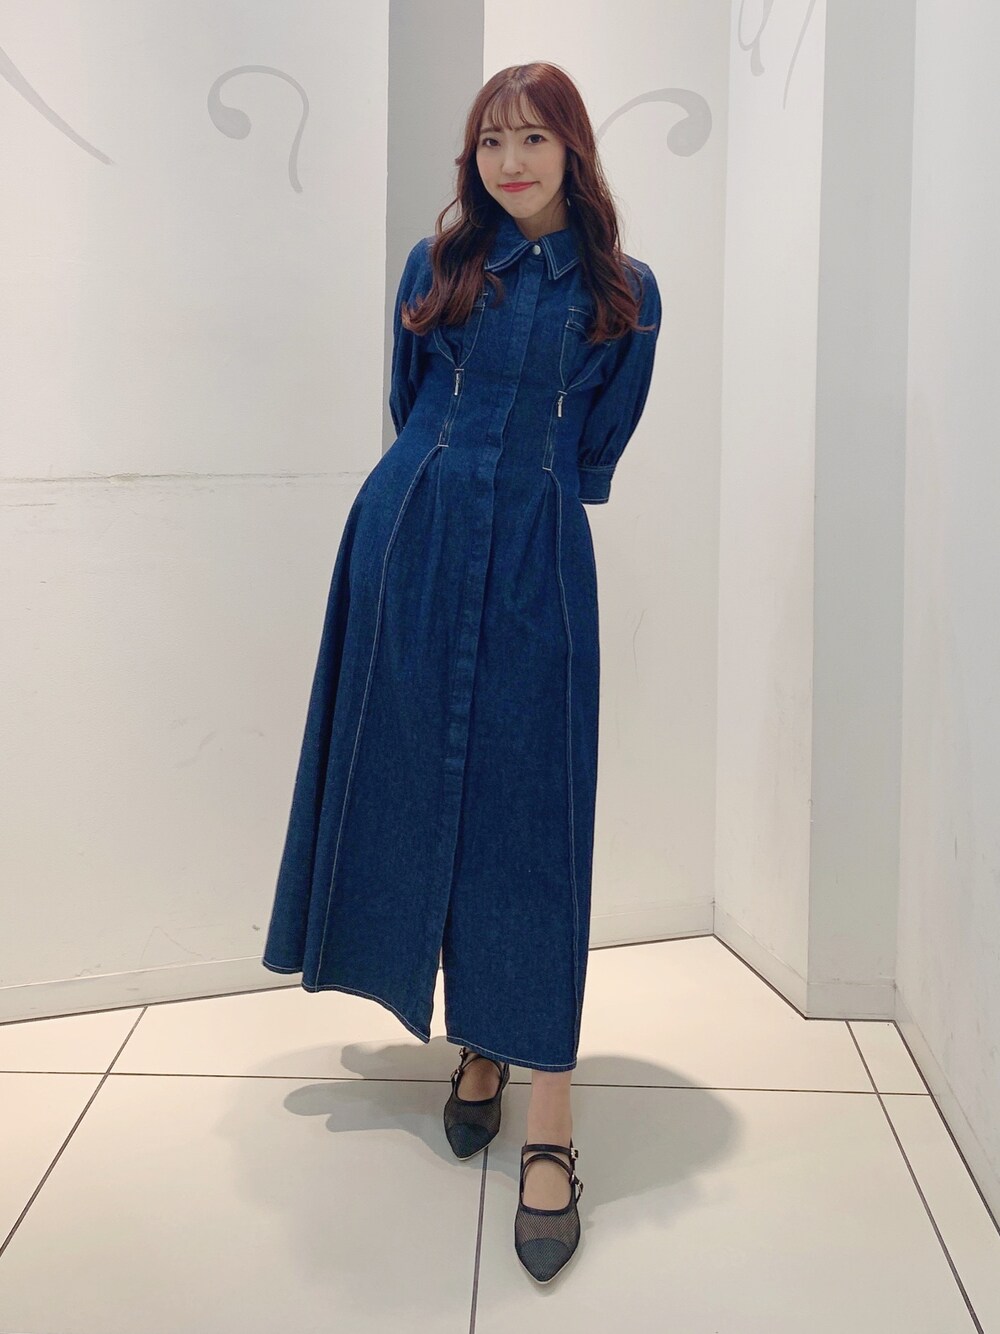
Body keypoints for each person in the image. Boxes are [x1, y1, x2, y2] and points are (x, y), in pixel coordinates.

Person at [262, 61, 661, 1282]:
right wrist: (442, 487)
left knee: (532, 817)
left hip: (538, 552)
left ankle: (549, 1114)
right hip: (411, 538)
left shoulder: (623, 293)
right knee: (411, 782)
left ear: (573, 151)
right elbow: (409, 407)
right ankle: (474, 1039)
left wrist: (519, 488)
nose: (510, 161)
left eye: (534, 137)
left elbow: (596, 449)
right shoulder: (434, 268)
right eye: (491, 140)